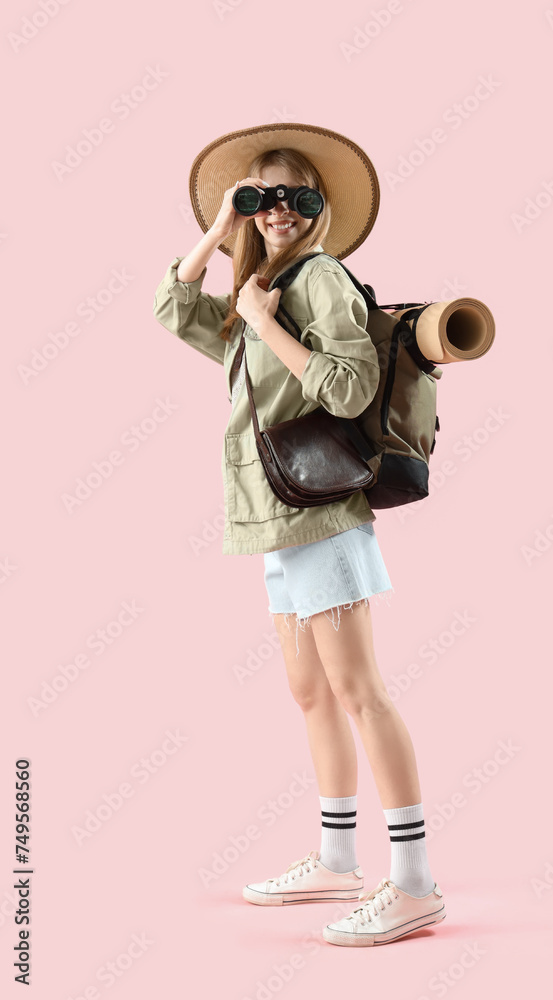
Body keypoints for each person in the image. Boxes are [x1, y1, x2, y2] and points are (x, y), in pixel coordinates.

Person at [153, 123, 445, 946]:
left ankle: (415, 883)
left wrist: (262, 316)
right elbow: (173, 307)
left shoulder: (314, 281)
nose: (278, 210)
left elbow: (349, 389)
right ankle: (335, 857)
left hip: (320, 514)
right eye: (261, 197)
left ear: (319, 211)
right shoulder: (268, 282)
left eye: (296, 197)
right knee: (310, 692)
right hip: (276, 517)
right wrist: (221, 234)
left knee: (360, 691)